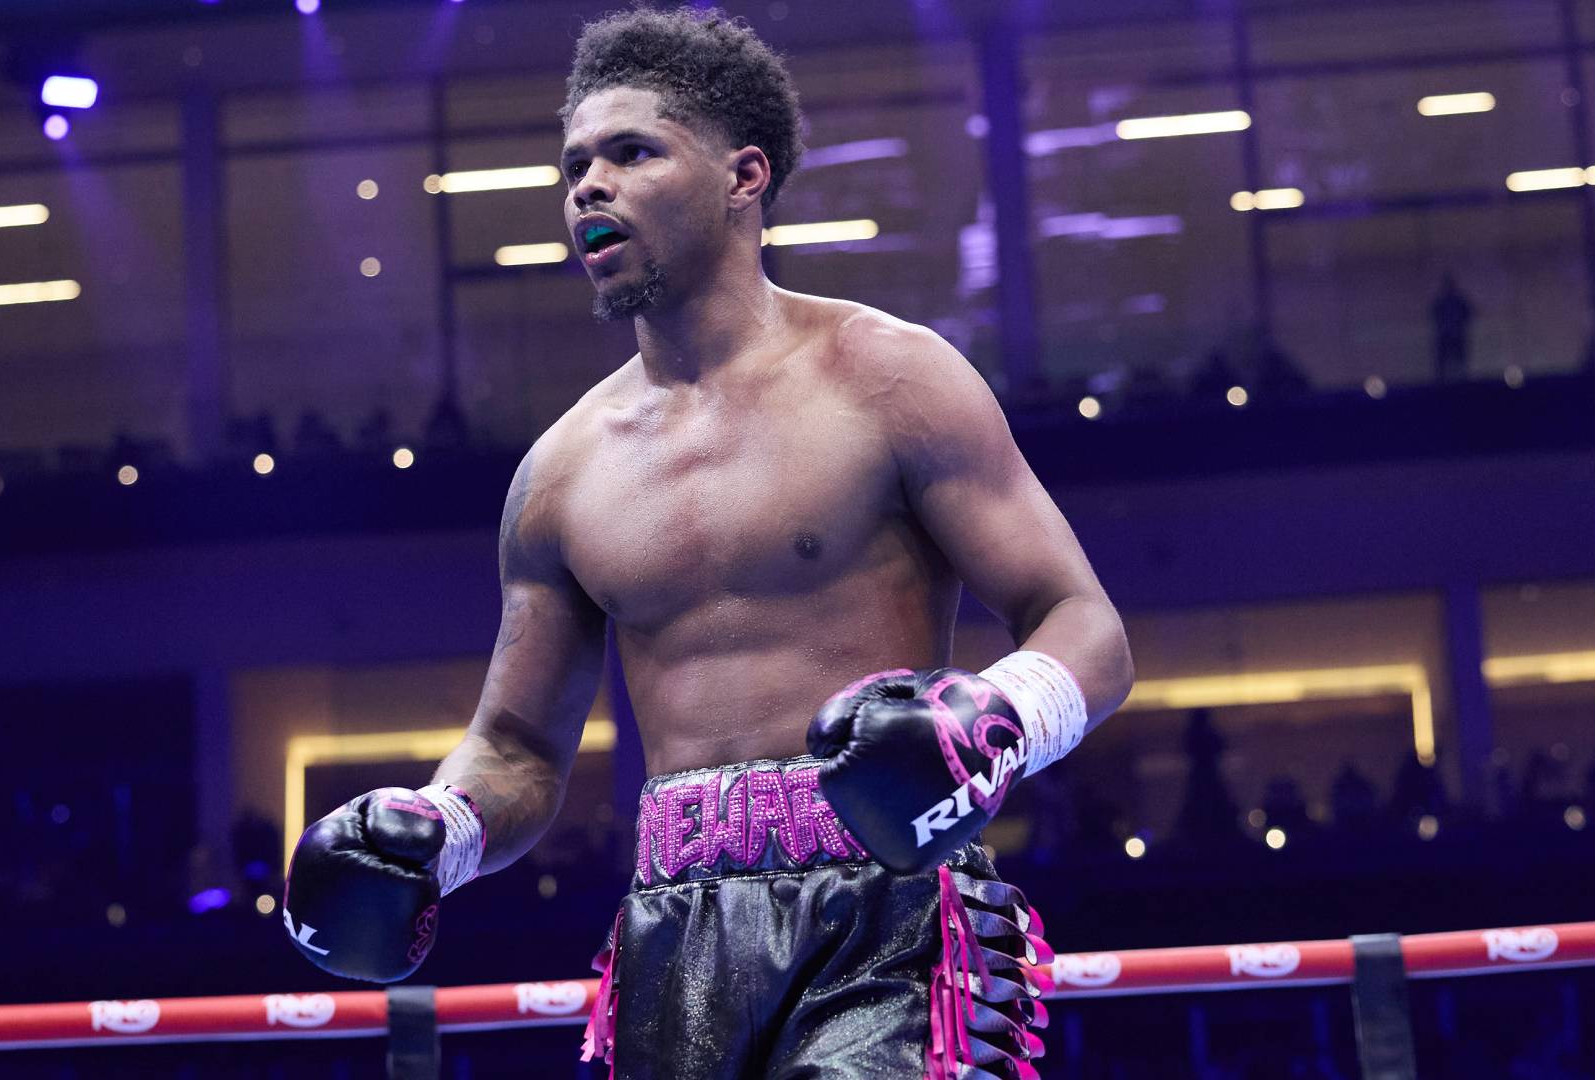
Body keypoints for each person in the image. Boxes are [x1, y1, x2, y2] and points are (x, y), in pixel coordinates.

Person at [281, 9, 1132, 1078]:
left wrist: (998, 716)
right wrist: (436, 829)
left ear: (745, 177)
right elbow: (518, 750)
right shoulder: (560, 473)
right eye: (575, 164)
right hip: (673, 936)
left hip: (888, 913)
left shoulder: (888, 377)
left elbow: (1085, 625)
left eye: (632, 152)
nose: (589, 185)